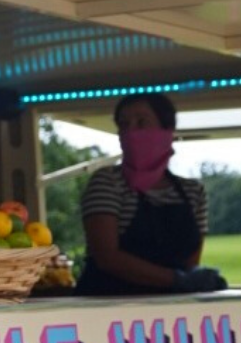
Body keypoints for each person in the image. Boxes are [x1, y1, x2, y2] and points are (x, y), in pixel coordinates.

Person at [76, 93, 226, 295]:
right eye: (123, 125)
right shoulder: (108, 181)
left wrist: (194, 280)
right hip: (109, 308)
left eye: (141, 122)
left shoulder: (192, 192)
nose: (131, 132)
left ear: (166, 131)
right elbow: (107, 257)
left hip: (166, 314)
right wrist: (177, 280)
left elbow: (191, 260)